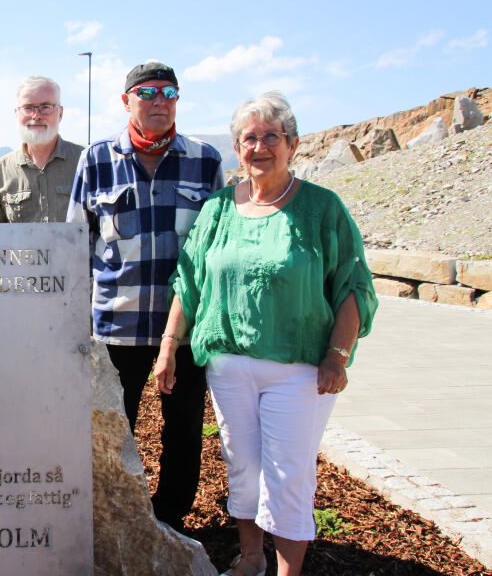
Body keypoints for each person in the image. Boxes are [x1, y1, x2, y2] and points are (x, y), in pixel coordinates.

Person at [154, 92, 377, 576]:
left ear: (292, 144)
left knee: (287, 476)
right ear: (238, 149)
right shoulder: (217, 210)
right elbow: (188, 282)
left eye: (271, 136)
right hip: (229, 367)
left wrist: (338, 355)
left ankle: (287, 571)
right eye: (249, 138)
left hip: (297, 370)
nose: (260, 147)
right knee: (243, 469)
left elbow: (353, 285)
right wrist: (169, 346)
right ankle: (251, 558)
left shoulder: (322, 209)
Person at [68, 61, 224, 531]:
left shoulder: (206, 160)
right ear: (127, 100)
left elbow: (217, 246)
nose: (160, 101)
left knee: (183, 433)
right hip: (118, 326)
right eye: (148, 92)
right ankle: (119, 522)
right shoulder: (96, 160)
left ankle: (172, 520)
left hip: (188, 330)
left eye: (169, 93)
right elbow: (75, 243)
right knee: (115, 433)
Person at [0, 76, 83, 223]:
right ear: (16, 113)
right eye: (28, 108)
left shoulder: (86, 161)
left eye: (45, 107)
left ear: (60, 113)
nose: (36, 116)